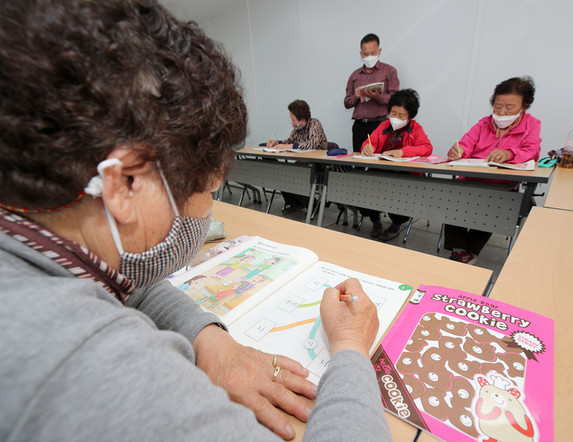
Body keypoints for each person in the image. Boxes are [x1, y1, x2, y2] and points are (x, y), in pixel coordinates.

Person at [0, 1, 392, 441]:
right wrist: (351, 347)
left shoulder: (42, 232)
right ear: (125, 182)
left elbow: (128, 280)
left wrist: (207, 337)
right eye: (206, 191)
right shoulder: (81, 367)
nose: (208, 209)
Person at [444, 76, 541, 264]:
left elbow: (532, 151)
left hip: (502, 185)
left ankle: (470, 252)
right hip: (472, 179)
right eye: (497, 106)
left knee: (494, 205)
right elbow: (466, 143)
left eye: (509, 107)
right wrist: (458, 150)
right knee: (453, 197)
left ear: (525, 105)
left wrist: (509, 154)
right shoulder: (484, 123)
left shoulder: (532, 125)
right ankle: (458, 249)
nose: (502, 112)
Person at [360, 89, 434, 241]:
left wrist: (402, 152)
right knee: (364, 190)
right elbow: (370, 141)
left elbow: (427, 147)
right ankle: (376, 222)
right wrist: (367, 147)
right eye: (393, 113)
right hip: (380, 171)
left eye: (401, 115)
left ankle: (395, 225)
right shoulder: (383, 126)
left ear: (410, 116)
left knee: (402, 196)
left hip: (404, 175)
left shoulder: (416, 128)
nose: (395, 118)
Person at [267, 99, 327, 212]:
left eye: (293, 119)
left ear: (302, 120)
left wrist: (288, 147)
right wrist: (278, 143)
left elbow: (311, 144)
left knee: (294, 173)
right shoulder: (297, 128)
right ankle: (294, 202)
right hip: (303, 163)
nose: (292, 123)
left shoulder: (314, 124)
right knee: (284, 173)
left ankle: (312, 204)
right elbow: (290, 141)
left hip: (318, 164)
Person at [344, 33, 400, 152]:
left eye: (373, 53)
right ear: (361, 54)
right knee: (359, 162)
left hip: (380, 124)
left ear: (379, 51)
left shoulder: (389, 71)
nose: (369, 56)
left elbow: (395, 99)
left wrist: (377, 97)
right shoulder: (355, 75)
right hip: (359, 126)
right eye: (365, 54)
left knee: (378, 163)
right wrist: (356, 96)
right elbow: (346, 103)